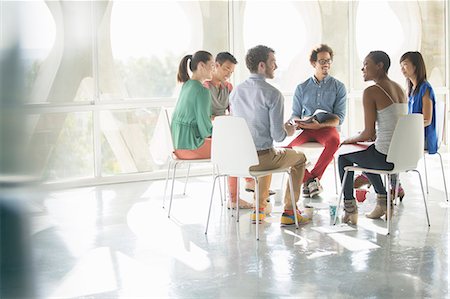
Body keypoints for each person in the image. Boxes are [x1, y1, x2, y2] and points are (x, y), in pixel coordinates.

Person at [229, 45, 309, 226]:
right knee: (299, 158)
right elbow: (279, 136)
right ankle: (290, 211)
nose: (276, 66)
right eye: (273, 62)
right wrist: (290, 129)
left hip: (238, 160)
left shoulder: (235, 92)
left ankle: (259, 209)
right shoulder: (273, 94)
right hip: (261, 159)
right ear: (262, 66)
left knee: (270, 152)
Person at [171, 50, 252, 208]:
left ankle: (242, 189)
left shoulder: (188, 84)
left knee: (231, 145)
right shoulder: (202, 91)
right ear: (201, 66)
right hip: (190, 147)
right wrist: (225, 135)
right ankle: (235, 198)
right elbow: (206, 130)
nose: (213, 69)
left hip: (178, 145)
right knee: (233, 150)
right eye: (211, 66)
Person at [354, 51, 439, 202]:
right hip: (407, 139)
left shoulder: (425, 89)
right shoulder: (408, 90)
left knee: (388, 144)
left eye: (405, 65)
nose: (402, 69)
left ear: (416, 66)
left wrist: (405, 130)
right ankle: (394, 185)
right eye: (401, 66)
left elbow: (427, 119)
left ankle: (369, 177)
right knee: (390, 141)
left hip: (421, 138)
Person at [338, 51, 407, 224]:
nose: (362, 68)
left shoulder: (371, 91)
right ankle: (383, 201)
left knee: (343, 156)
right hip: (402, 158)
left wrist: (349, 140)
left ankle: (350, 211)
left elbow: (368, 133)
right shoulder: (400, 88)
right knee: (365, 153)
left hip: (385, 158)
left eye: (366, 63)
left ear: (380, 66)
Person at [288, 44, 347, 198]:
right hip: (306, 128)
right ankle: (310, 180)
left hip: (326, 128)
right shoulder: (301, 88)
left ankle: (313, 179)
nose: (326, 64)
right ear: (313, 63)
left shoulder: (339, 87)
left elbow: (339, 118)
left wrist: (320, 125)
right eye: (321, 61)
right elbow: (294, 115)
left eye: (328, 60)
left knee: (334, 142)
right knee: (285, 149)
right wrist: (298, 122)